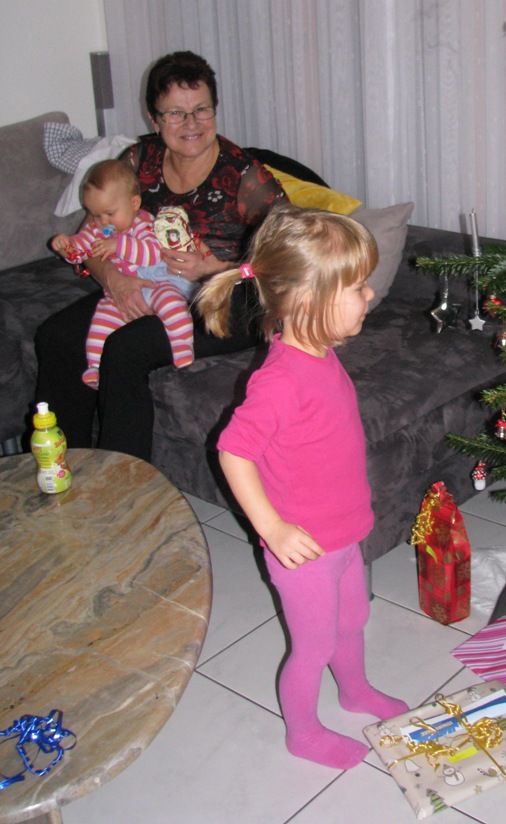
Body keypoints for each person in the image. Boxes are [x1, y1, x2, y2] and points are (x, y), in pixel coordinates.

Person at [198, 206, 409, 769]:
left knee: (352, 620)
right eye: (358, 287)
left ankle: (355, 691)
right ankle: (303, 732)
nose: (370, 295)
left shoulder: (319, 353)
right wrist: (272, 528)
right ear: (310, 300)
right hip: (305, 549)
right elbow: (233, 451)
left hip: (343, 532)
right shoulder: (281, 379)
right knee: (313, 645)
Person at [35, 50, 287, 460]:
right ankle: (67, 469)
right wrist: (113, 279)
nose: (191, 124)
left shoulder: (246, 177)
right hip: (147, 282)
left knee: (125, 348)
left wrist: (219, 268)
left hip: (227, 297)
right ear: (154, 119)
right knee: (57, 336)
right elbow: (95, 232)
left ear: (215, 110)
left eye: (201, 109)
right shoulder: (139, 161)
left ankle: (121, 482)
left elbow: (291, 260)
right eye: (175, 113)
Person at [51, 159, 199, 387]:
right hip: (120, 292)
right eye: (95, 215)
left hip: (156, 284)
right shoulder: (97, 229)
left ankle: (181, 344)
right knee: (101, 321)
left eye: (109, 213)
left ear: (134, 203)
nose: (102, 222)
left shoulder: (144, 223)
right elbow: (81, 251)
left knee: (173, 304)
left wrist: (118, 245)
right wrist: (66, 247)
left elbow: (153, 254)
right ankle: (95, 367)